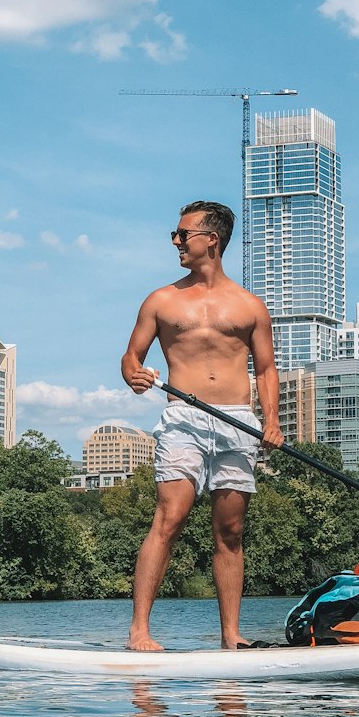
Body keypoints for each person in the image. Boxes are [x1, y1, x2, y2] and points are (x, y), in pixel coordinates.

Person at [121, 200, 283, 651]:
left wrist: (272, 421)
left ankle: (231, 636)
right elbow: (131, 356)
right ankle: (140, 632)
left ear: (210, 239)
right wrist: (132, 372)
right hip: (184, 419)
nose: (175, 240)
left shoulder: (250, 305)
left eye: (182, 233)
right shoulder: (162, 300)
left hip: (237, 422)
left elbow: (267, 370)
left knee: (230, 531)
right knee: (169, 517)